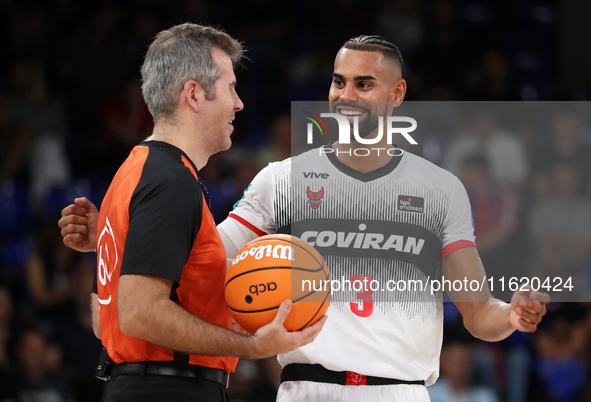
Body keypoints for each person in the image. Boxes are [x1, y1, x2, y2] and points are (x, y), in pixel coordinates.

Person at [60, 34, 547, 401]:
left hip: (401, 390)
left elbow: (481, 314)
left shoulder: (441, 190)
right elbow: (200, 262)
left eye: (364, 84)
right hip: (306, 389)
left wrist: (513, 315)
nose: (346, 95)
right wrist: (120, 236)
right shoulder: (282, 180)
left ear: (396, 94)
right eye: (338, 82)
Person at [58, 23, 325, 402]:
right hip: (171, 389)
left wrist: (107, 247)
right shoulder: (170, 182)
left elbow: (107, 325)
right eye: (231, 87)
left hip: (141, 385)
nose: (239, 102)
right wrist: (253, 347)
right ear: (195, 94)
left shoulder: (133, 172)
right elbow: (138, 315)